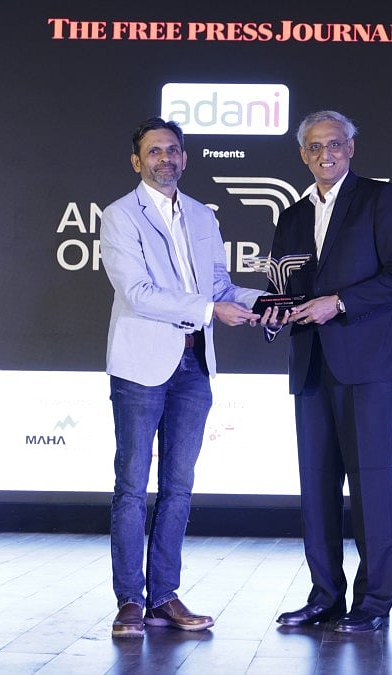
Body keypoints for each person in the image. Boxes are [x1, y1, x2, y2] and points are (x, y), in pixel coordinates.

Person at [100, 117, 265, 639]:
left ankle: (164, 595)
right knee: (132, 487)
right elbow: (138, 293)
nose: (164, 159)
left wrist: (268, 303)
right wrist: (211, 309)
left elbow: (218, 284)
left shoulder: (201, 215)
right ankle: (129, 599)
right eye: (154, 151)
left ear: (185, 158)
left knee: (178, 488)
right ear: (137, 161)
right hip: (141, 367)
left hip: (195, 365)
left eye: (173, 150)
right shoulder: (121, 216)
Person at [261, 110, 392, 634]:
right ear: (302, 155)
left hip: (367, 361)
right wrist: (270, 309)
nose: (324, 154)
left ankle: (374, 601)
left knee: (372, 484)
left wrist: (341, 302)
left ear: (351, 148)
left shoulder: (379, 198)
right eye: (313, 146)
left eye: (334, 144)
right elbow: (286, 283)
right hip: (309, 362)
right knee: (317, 487)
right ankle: (325, 594)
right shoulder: (291, 214)